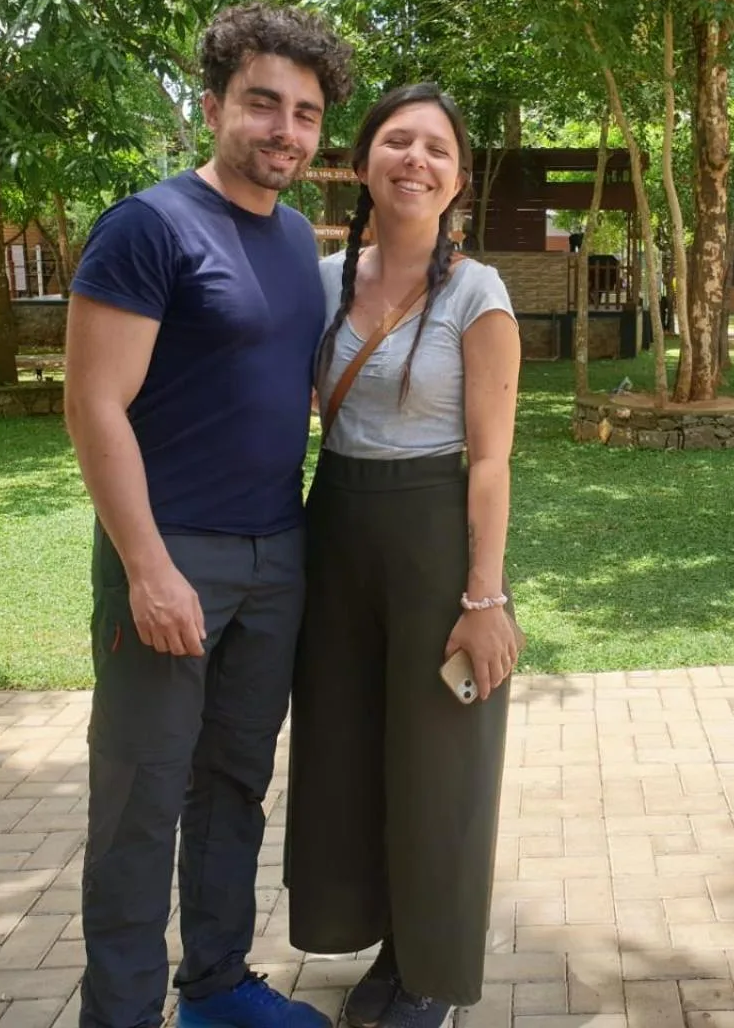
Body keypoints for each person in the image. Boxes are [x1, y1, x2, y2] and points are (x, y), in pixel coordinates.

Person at [64, 0, 353, 1028]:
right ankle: (123, 1013)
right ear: (213, 106)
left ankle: (218, 984)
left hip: (277, 554)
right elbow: (92, 403)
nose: (284, 130)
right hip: (171, 552)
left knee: (234, 782)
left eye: (306, 114)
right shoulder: (149, 226)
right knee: (140, 806)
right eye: (262, 103)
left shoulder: (291, 244)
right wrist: (145, 567)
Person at [285, 83, 522, 1028]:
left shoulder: (477, 291)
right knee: (351, 752)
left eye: (436, 149)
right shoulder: (323, 276)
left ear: (458, 178)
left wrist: (483, 596)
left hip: (433, 537)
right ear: (364, 159)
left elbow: (493, 458)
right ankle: (388, 944)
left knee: (439, 764)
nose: (415, 160)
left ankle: (434, 971)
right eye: (397, 141)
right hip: (334, 525)